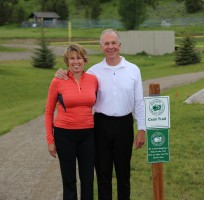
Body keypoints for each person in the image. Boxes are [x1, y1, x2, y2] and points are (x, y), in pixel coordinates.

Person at [56, 29, 146, 200]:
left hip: (124, 124)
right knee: (103, 175)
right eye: (106, 43)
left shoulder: (133, 70)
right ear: (101, 47)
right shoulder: (93, 72)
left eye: (113, 43)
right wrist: (60, 72)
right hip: (100, 125)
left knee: (123, 174)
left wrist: (142, 128)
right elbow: (74, 77)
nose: (110, 47)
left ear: (119, 45)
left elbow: (139, 102)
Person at [45, 44, 98, 200]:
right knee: (69, 180)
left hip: (88, 134)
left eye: (79, 58)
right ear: (67, 61)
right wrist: (50, 139)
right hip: (64, 135)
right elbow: (48, 111)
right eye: (72, 58)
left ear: (84, 60)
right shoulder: (57, 81)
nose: (76, 62)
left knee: (88, 178)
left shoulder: (93, 80)